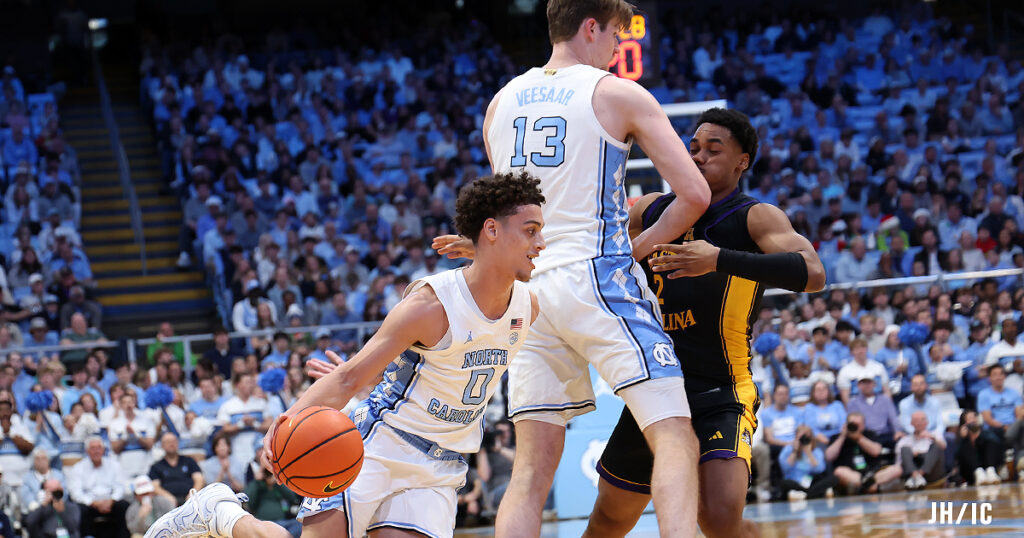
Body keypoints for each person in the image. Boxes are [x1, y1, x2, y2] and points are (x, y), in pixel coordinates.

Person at [437, 1, 715, 535]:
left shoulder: (500, 103)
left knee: (530, 472)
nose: (616, 49)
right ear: (591, 27)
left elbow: (511, 213)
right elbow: (695, 194)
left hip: (528, 290)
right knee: (673, 433)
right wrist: (638, 248)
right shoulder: (616, 93)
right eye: (615, 36)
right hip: (596, 277)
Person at [146, 170, 545, 538]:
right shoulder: (429, 306)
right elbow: (349, 377)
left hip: (441, 466)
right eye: (530, 231)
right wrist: (283, 425)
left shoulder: (529, 306)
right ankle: (221, 513)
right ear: (491, 229)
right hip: (380, 445)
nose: (541, 243)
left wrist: (482, 251)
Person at [582, 106, 824, 537]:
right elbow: (590, 248)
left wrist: (719, 260)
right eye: (693, 147)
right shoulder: (651, 210)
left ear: (741, 162)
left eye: (713, 149)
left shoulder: (754, 216)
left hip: (721, 387)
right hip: (655, 385)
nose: (698, 156)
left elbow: (814, 274)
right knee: (608, 521)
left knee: (717, 518)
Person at [66, 436, 129, 538]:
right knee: (79, 509)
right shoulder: (78, 468)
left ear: (103, 450)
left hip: (110, 502)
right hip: (90, 504)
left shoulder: (114, 465)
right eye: (93, 448)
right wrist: (94, 503)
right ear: (87, 451)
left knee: (124, 506)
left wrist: (111, 500)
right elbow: (75, 492)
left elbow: (120, 487)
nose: (96, 451)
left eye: (99, 448)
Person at [825, 412, 902, 494]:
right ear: (846, 424)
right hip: (851, 475)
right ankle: (869, 486)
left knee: (897, 469)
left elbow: (876, 451)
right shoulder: (837, 437)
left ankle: (866, 486)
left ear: (863, 425)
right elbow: (829, 457)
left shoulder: (870, 434)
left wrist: (859, 438)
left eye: (858, 424)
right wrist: (842, 436)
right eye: (852, 424)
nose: (855, 427)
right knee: (839, 471)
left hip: (872, 474)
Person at [778, 425, 836, 500]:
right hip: (794, 482)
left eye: (806, 437)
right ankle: (814, 493)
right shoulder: (788, 449)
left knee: (833, 478)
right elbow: (785, 468)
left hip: (810, 482)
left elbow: (820, 469)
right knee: (784, 483)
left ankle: (805, 494)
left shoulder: (816, 451)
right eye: (802, 437)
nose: (804, 440)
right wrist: (794, 451)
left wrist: (809, 453)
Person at [148, 432, 204, 505]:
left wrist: (192, 494)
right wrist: (167, 496)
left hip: (190, 498)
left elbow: (199, 480)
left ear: (178, 443)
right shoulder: (156, 466)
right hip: (168, 501)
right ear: (162, 445)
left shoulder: (189, 461)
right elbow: (155, 486)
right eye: (168, 442)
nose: (171, 444)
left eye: (174, 441)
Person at [896, 411, 946, 489]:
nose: (919, 423)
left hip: (932, 472)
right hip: (912, 468)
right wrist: (912, 454)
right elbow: (899, 460)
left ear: (927, 422)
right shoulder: (905, 440)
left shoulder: (935, 434)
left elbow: (943, 447)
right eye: (916, 420)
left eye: (922, 419)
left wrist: (931, 437)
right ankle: (916, 476)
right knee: (904, 449)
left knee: (936, 446)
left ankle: (918, 476)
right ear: (911, 423)